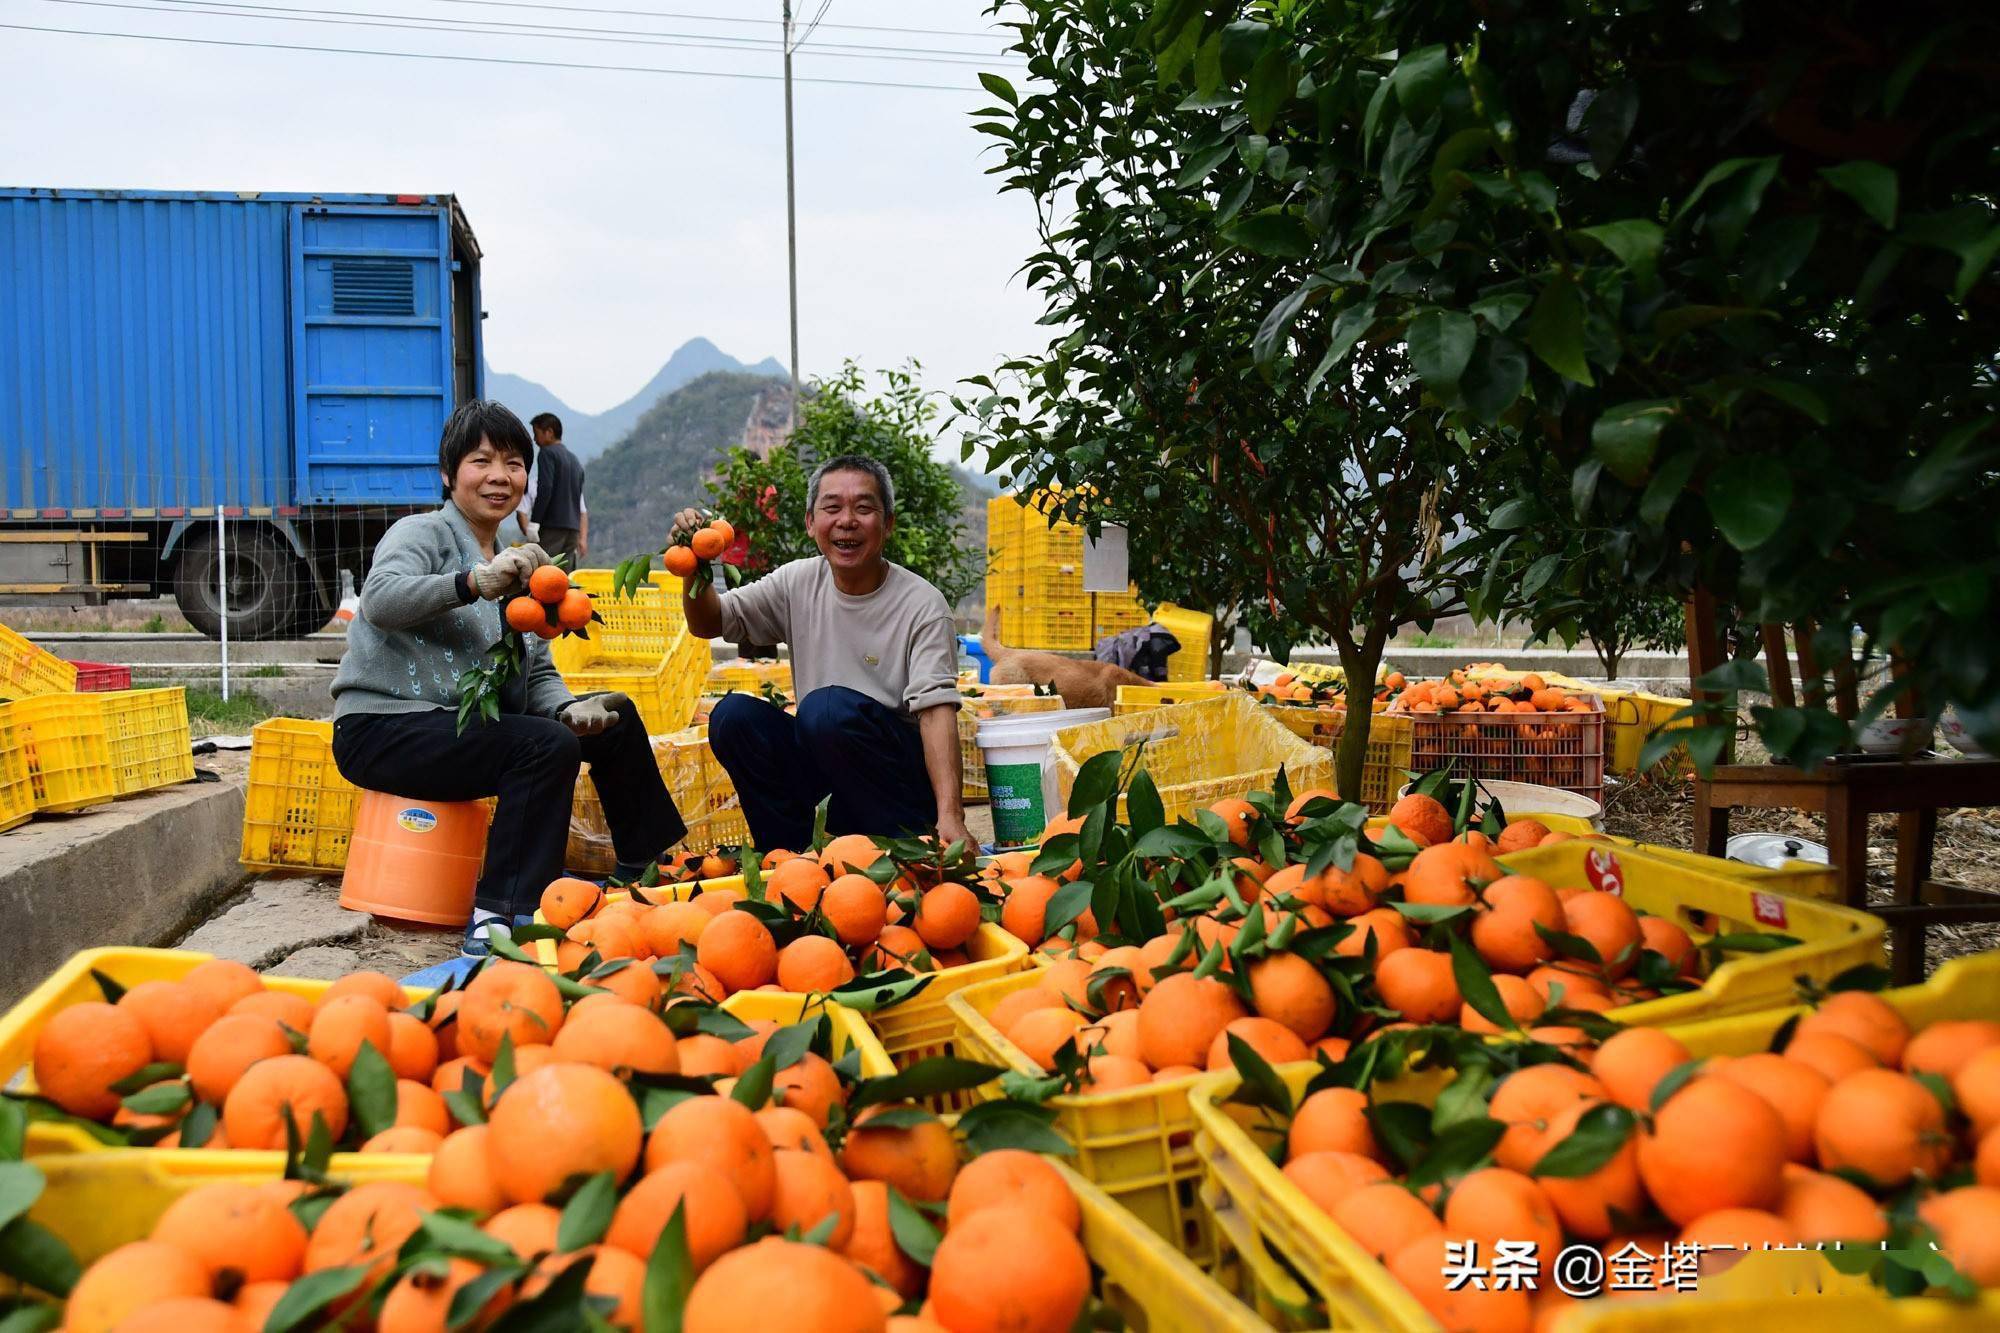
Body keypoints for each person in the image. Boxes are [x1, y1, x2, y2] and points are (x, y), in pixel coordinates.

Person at [331, 400, 684, 955]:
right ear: (450, 475)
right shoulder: (420, 534)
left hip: (467, 729)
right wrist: (471, 582)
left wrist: (567, 709)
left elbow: (536, 669)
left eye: (515, 463)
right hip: (385, 728)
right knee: (542, 747)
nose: (500, 476)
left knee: (613, 715)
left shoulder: (522, 565)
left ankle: (644, 869)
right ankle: (503, 913)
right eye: (482, 461)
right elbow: (380, 600)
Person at [674, 454, 970, 854]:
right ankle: (787, 856)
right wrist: (696, 566)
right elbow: (710, 622)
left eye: (864, 508)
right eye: (832, 508)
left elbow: (937, 711)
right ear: (811, 522)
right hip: (829, 772)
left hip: (897, 782)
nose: (847, 521)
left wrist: (951, 816)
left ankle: (899, 843)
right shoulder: (798, 581)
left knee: (823, 709)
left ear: (888, 524)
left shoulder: (922, 605)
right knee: (734, 717)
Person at [518, 412, 588, 563]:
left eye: (536, 434)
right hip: (572, 530)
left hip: (552, 527)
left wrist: (535, 522)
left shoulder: (547, 453)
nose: (535, 440)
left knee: (544, 571)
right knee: (565, 576)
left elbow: (545, 487)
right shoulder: (574, 460)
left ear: (549, 432)